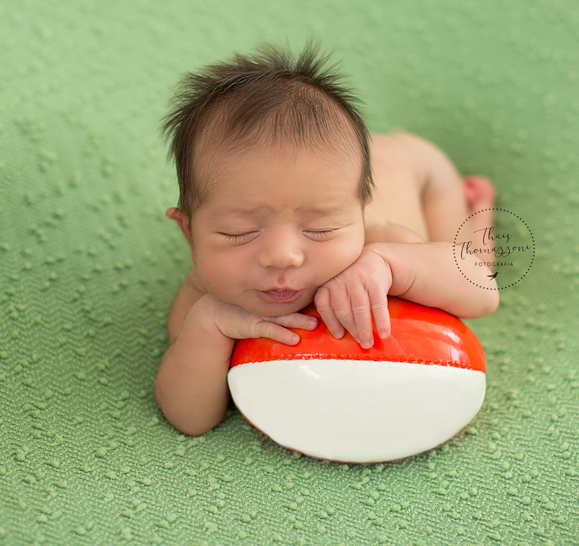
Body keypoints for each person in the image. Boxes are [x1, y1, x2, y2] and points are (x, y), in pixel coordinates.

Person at [155, 40, 499, 436]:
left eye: (320, 229)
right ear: (189, 233)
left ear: (359, 215)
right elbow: (190, 418)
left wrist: (390, 264)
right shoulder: (204, 293)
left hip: (418, 171)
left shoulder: (379, 243)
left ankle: (480, 204)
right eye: (239, 232)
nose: (283, 256)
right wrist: (210, 322)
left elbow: (483, 291)